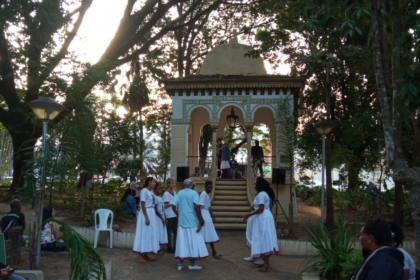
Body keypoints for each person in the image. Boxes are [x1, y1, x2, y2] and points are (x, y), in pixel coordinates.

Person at [171, 177, 208, 271]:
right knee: (193, 243)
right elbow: (196, 207)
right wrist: (201, 221)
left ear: (184, 185)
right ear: (193, 185)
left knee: (181, 242)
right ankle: (192, 264)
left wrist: (179, 215)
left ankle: (180, 264)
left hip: (182, 222)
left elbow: (173, 206)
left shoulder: (180, 193)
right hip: (192, 222)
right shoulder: (194, 193)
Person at [243, 177, 279, 272]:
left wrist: (249, 214)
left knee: (265, 240)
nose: (254, 185)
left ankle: (266, 265)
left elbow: (261, 208)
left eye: (255, 183)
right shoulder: (262, 194)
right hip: (263, 218)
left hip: (263, 218)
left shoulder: (262, 194)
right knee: (264, 240)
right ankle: (264, 262)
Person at [133, 177, 160, 263]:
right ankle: (140, 255)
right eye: (153, 182)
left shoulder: (150, 191)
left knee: (149, 233)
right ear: (149, 182)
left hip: (151, 212)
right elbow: (143, 204)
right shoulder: (144, 191)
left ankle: (146, 254)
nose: (155, 183)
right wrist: (146, 217)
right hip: (146, 213)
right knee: (144, 233)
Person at [199, 180, 221, 258]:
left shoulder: (207, 195)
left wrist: (211, 214)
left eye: (211, 187)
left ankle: (213, 251)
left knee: (209, 233)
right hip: (204, 215)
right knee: (203, 234)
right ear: (205, 187)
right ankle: (202, 252)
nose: (210, 189)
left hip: (207, 215)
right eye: (209, 187)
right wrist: (201, 218)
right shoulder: (203, 194)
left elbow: (208, 206)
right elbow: (200, 206)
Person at [163, 177, 177, 254]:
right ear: (168, 184)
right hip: (169, 214)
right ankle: (169, 247)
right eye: (171, 183)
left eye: (174, 183)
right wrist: (172, 203)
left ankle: (175, 246)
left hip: (175, 214)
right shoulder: (166, 193)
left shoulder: (174, 192)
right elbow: (165, 204)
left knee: (175, 232)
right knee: (169, 232)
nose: (173, 184)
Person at [154, 183, 168, 255]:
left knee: (160, 232)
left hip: (162, 216)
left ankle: (158, 248)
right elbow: (156, 210)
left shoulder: (161, 197)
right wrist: (162, 219)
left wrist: (165, 217)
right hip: (158, 217)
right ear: (155, 189)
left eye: (160, 189)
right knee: (157, 232)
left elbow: (163, 208)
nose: (160, 190)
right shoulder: (155, 198)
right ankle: (156, 249)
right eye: (158, 189)